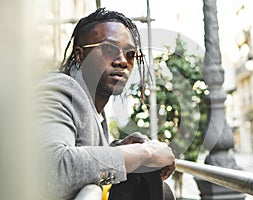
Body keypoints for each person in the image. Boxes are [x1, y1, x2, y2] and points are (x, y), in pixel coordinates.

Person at [35, 7, 175, 200]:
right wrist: (145, 152)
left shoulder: (95, 109)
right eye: (109, 49)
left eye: (130, 54)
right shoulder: (60, 88)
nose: (122, 61)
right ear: (79, 55)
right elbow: (52, 169)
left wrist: (118, 148)